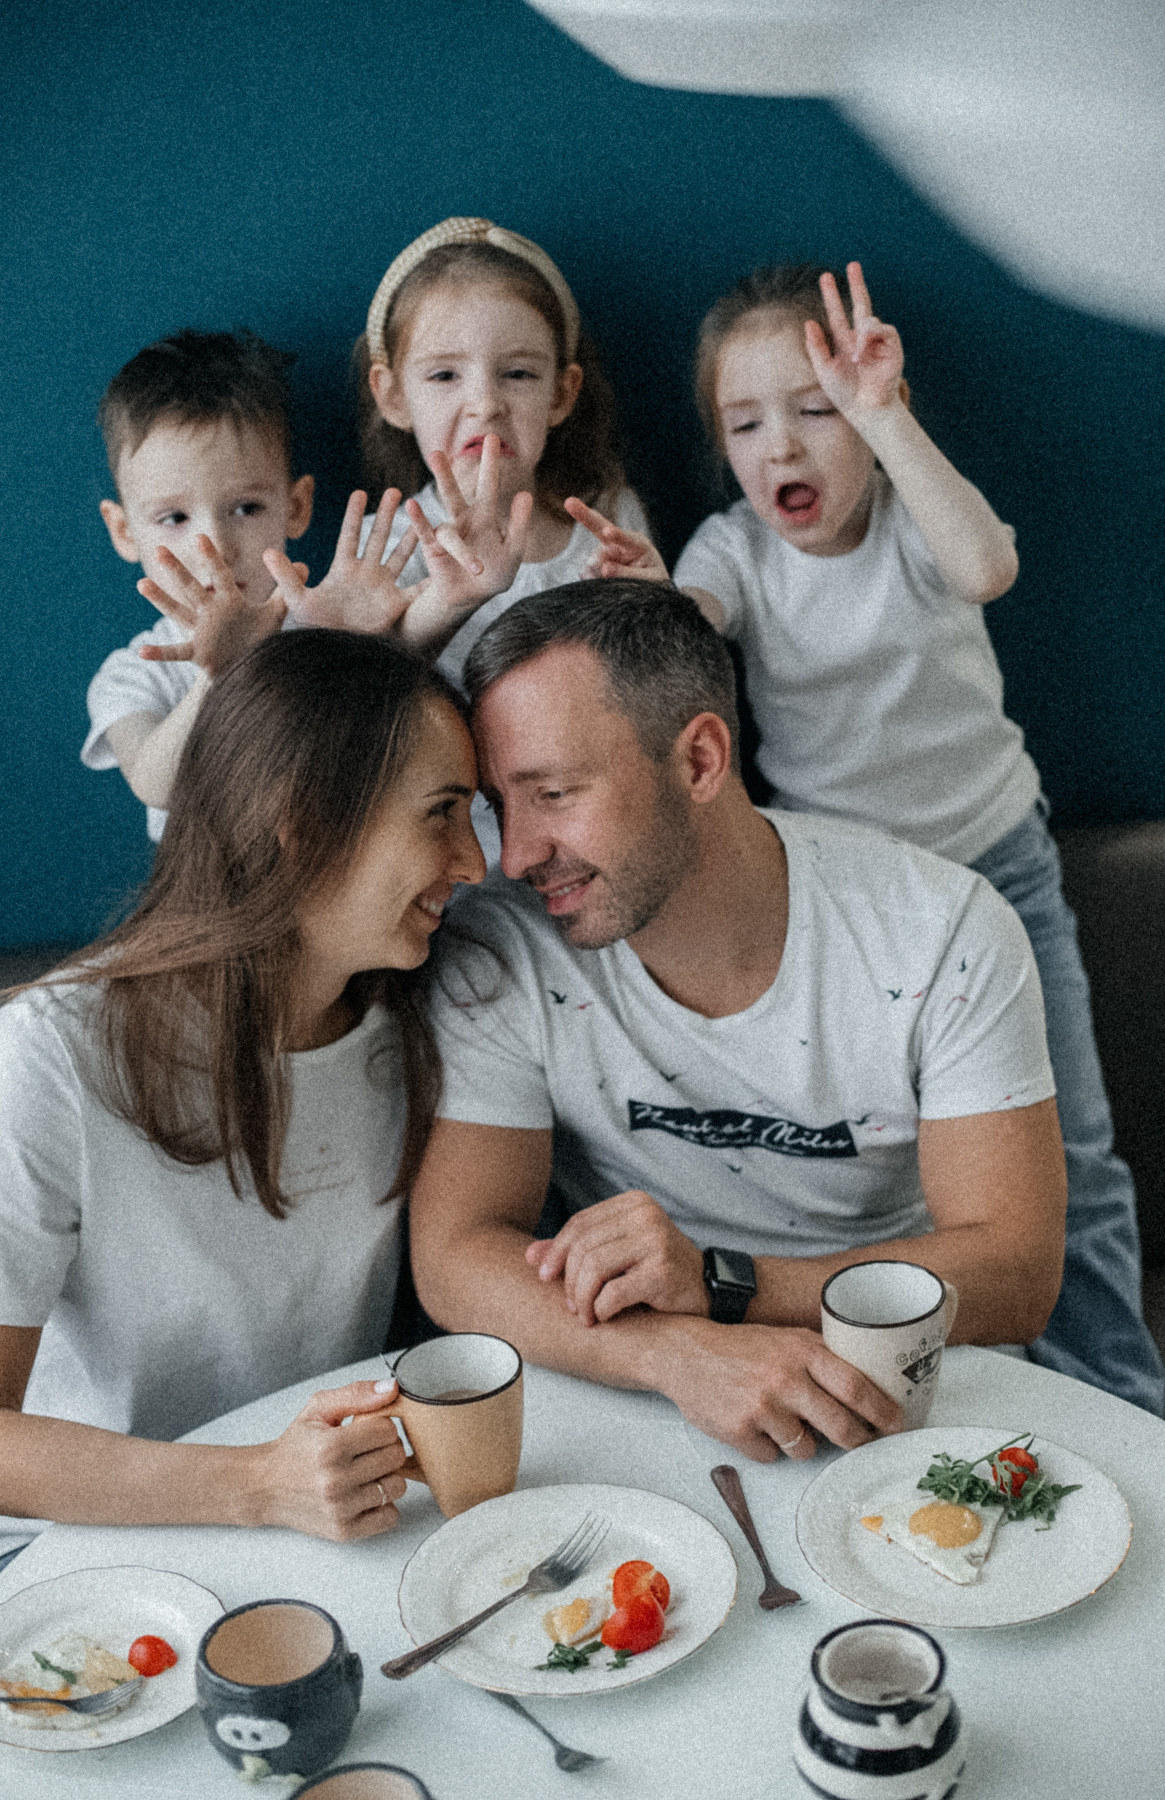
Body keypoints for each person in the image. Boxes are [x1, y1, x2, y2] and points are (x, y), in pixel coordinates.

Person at [568, 263, 1163, 1416]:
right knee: (919, 1173)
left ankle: (1125, 1405)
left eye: (815, 409)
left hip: (999, 863)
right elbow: (693, 633)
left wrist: (886, 419)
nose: (781, 446)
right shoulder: (733, 551)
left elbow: (989, 565)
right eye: (746, 424)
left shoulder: (910, 525)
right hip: (853, 909)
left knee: (1074, 1162)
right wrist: (647, 601)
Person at [408, 581, 1069, 1464]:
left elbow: (1017, 1272)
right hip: (655, 1390)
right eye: (501, 805)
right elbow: (454, 1254)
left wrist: (724, 1288)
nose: (519, 854)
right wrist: (679, 1353)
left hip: (913, 1384)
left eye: (556, 793)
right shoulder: (503, 946)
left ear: (700, 760)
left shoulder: (941, 929)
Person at [0, 630, 484, 1605]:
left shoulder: (419, 1020)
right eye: (442, 813)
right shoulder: (53, 1051)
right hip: (55, 1557)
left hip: (316, 1535)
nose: (474, 862)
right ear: (296, 818)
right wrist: (255, 1484)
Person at [265, 219, 649, 862]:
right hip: (462, 852)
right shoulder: (388, 546)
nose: (484, 403)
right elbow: (365, 720)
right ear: (392, 396)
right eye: (444, 376)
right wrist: (417, 619)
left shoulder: (607, 514)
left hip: (599, 834)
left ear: (562, 392)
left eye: (518, 375)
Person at [83, 329, 316, 841]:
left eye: (245, 508)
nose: (213, 546)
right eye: (175, 517)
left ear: (295, 507)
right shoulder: (135, 676)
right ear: (124, 531)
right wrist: (219, 672)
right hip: (211, 908)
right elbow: (154, 781)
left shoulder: (327, 634)